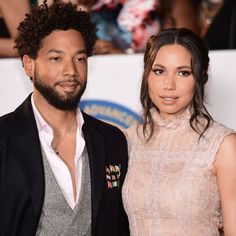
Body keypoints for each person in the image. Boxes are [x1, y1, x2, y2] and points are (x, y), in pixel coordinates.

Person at [0, 1, 129, 235]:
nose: (70, 70)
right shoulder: (2, 138)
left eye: (80, 59)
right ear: (29, 64)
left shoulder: (112, 141)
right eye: (56, 59)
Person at [122, 28, 236, 235]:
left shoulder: (223, 144)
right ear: (147, 75)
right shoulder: (129, 140)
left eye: (183, 72)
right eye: (159, 71)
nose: (169, 85)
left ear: (200, 78)